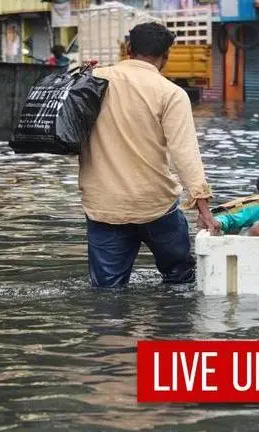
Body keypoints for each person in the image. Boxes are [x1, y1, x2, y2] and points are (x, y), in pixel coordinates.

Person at [80, 22, 218, 288]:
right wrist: (204, 210)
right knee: (181, 282)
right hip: (155, 205)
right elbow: (185, 154)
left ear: (128, 49)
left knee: (107, 293)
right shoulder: (170, 93)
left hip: (104, 206)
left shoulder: (93, 80)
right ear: (166, 56)